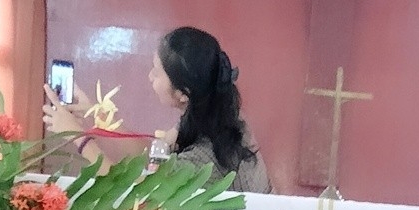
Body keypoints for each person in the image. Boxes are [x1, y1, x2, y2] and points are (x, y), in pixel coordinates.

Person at [44, 26, 271, 191]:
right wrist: (96, 115)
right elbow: (152, 152)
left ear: (183, 93)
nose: (150, 77)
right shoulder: (215, 114)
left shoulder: (200, 162)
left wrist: (79, 138)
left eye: (156, 72)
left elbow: (130, 190)